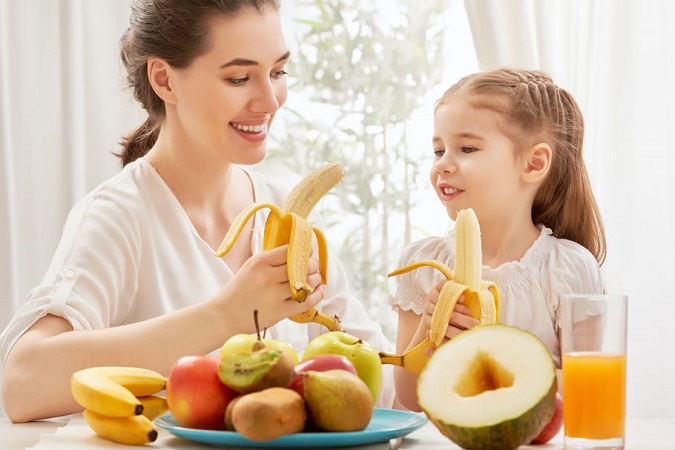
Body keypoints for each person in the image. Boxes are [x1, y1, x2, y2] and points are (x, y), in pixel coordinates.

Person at [0, 0, 394, 422]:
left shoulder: (287, 216)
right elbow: (22, 383)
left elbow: (382, 394)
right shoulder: (120, 215)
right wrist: (225, 315)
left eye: (278, 72)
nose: (270, 101)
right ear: (165, 79)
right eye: (240, 78)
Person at [390, 68, 606, 411]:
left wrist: (493, 358)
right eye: (438, 150)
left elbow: (588, 390)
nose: (443, 165)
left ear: (534, 163)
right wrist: (429, 332)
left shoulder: (566, 268)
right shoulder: (423, 265)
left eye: (467, 148)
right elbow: (408, 397)